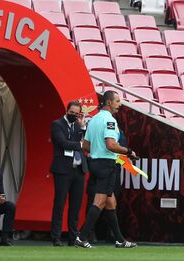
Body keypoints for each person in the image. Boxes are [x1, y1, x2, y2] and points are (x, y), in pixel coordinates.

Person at [74, 90, 136, 249]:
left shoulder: (94, 119)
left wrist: (98, 150)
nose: (119, 104)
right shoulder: (110, 120)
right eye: (117, 101)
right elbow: (111, 145)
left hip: (95, 163)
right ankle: (81, 237)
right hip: (106, 165)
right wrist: (128, 151)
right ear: (109, 102)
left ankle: (120, 240)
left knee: (110, 202)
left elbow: (85, 145)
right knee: (100, 201)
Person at [49, 100, 88, 246]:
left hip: (79, 169)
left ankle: (73, 237)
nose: (74, 115)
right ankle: (56, 237)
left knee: (76, 205)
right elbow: (63, 143)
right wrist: (80, 145)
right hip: (63, 170)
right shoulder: (57, 124)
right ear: (66, 111)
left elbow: (87, 143)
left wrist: (83, 127)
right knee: (59, 203)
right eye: (71, 112)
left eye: (76, 114)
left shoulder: (79, 126)